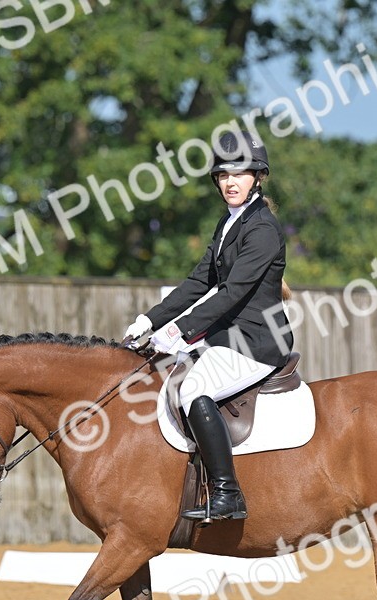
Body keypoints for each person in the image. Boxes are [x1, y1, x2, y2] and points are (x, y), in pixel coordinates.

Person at [123, 131, 293, 522]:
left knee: (194, 390)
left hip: (257, 342)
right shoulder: (229, 223)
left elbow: (231, 293)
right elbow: (200, 281)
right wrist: (150, 320)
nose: (230, 182)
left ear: (258, 177)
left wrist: (177, 332)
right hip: (227, 338)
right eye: (223, 176)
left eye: (240, 174)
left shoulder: (262, 229)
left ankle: (227, 493)